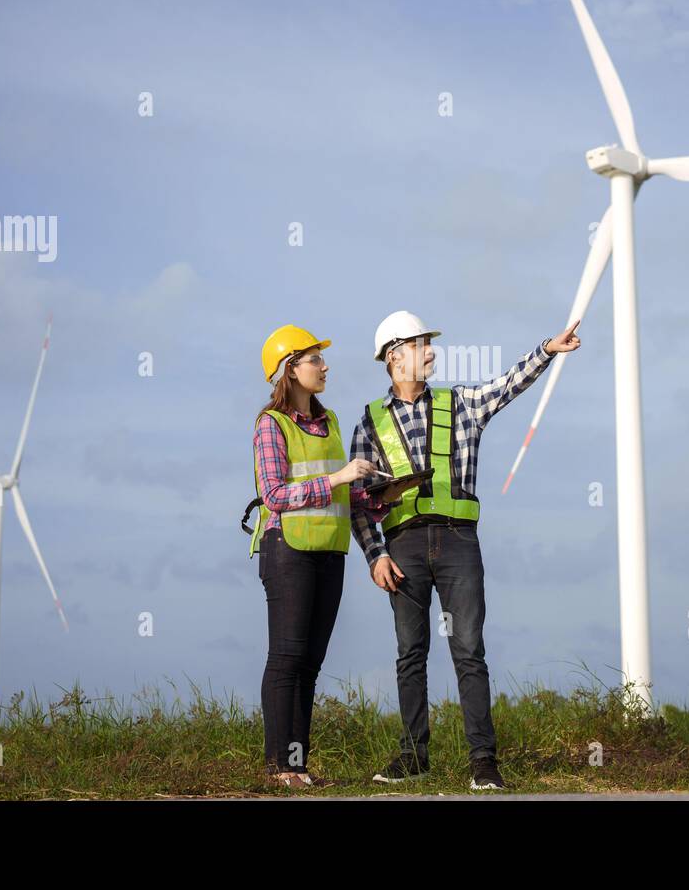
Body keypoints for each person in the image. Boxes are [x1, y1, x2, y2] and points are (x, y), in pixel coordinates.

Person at [348, 310, 581, 789]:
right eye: (420, 344)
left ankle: (483, 762)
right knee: (410, 653)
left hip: (458, 543)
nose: (430, 351)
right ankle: (414, 756)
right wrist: (376, 556)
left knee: (469, 651)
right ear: (395, 356)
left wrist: (546, 350)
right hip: (403, 547)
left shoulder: (463, 404)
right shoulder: (369, 422)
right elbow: (357, 502)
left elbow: (507, 384)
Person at [244, 324, 400, 789]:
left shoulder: (331, 423)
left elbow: (345, 498)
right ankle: (278, 768)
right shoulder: (270, 425)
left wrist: (381, 499)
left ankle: (298, 765)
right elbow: (274, 494)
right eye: (315, 359)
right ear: (290, 369)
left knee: (310, 663)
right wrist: (337, 479)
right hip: (286, 549)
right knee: (287, 658)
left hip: (329, 552)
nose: (325, 366)